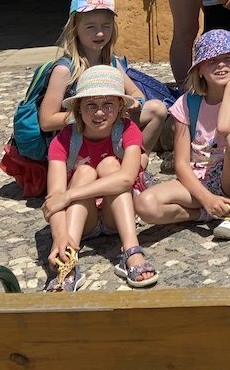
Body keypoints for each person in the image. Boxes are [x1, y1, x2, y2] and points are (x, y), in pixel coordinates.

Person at [135, 30, 230, 241]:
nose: (221, 65)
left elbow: (225, 126)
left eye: (228, 59)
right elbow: (181, 164)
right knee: (145, 205)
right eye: (212, 61)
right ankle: (205, 213)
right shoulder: (186, 103)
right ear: (200, 69)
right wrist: (206, 199)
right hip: (199, 179)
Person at [42, 65, 156, 291]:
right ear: (78, 108)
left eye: (108, 104)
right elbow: (54, 198)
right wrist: (60, 236)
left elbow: (126, 178)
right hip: (84, 219)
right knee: (84, 171)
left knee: (110, 164)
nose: (100, 113)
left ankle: (131, 250)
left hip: (118, 215)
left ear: (120, 106)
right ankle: (68, 256)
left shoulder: (128, 130)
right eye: (91, 105)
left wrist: (70, 195)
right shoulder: (63, 140)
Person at [35, 0, 167, 167]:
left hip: (107, 124)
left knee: (157, 109)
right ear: (75, 28)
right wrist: (87, 115)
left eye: (106, 26)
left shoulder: (110, 62)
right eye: (90, 27)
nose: (100, 33)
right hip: (78, 136)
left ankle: (137, 168)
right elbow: (46, 121)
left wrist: (135, 104)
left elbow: (136, 93)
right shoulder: (65, 70)